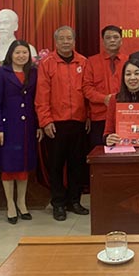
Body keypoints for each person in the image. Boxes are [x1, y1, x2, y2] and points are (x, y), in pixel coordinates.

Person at [35, 26, 90, 221]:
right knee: (56, 165)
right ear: (55, 42)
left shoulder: (83, 62)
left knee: (77, 164)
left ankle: (74, 201)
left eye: (69, 38)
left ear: (74, 41)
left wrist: (89, 115)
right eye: (62, 39)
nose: (66, 42)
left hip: (79, 121)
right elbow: (41, 95)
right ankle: (58, 203)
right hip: (55, 123)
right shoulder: (47, 63)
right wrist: (45, 121)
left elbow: (88, 91)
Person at [0, 40, 42, 224]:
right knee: (9, 166)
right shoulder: (1, 73)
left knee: (24, 164)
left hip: (27, 126)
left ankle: (21, 202)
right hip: (8, 127)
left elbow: (37, 101)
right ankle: (10, 204)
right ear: (10, 54)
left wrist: (39, 125)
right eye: (17, 52)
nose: (21, 56)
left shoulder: (33, 73)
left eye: (24, 52)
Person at [84, 25, 128, 148]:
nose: (112, 40)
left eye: (115, 37)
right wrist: (104, 99)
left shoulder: (128, 60)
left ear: (121, 40)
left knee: (125, 152)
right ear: (103, 41)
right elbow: (87, 88)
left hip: (124, 116)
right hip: (100, 117)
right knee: (100, 153)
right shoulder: (91, 62)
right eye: (108, 38)